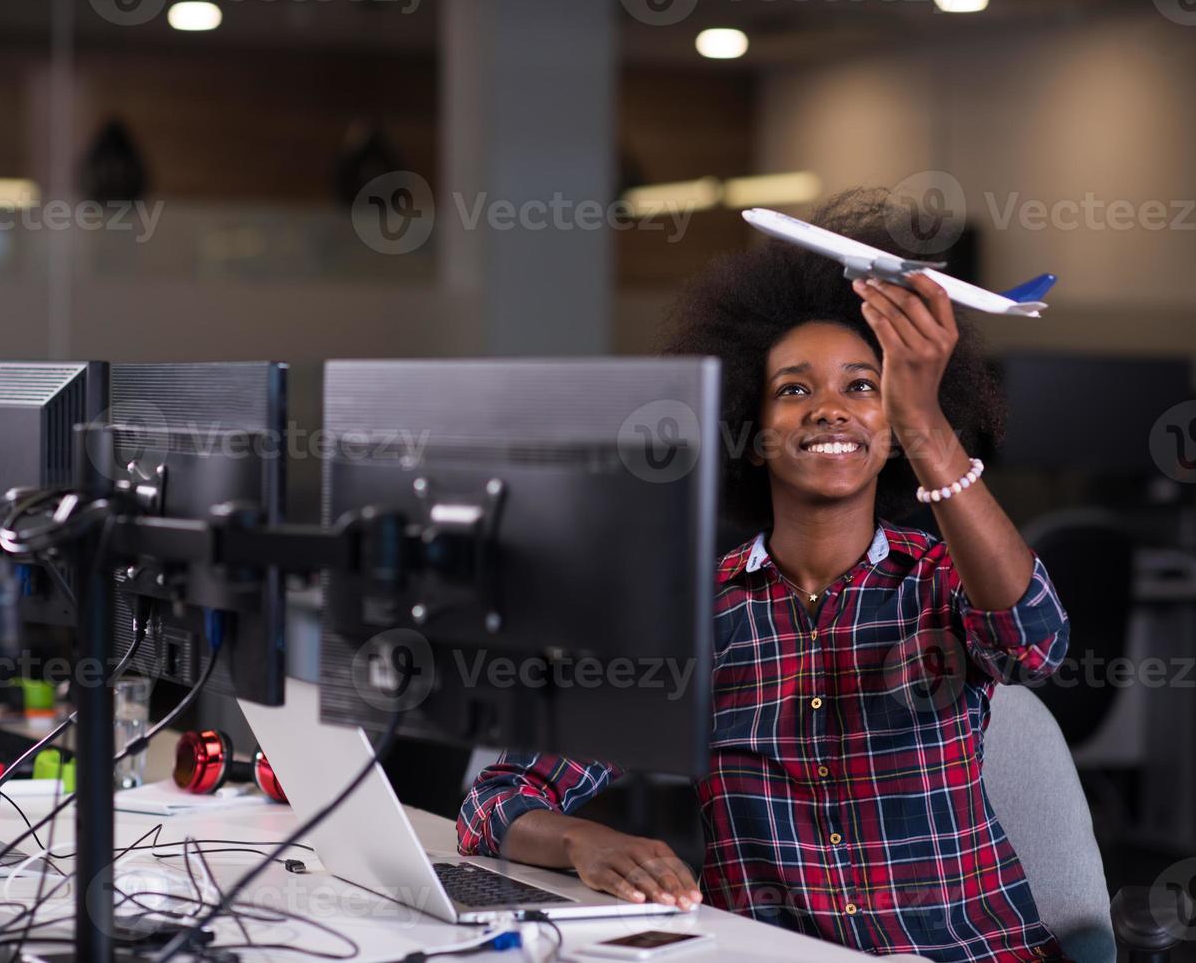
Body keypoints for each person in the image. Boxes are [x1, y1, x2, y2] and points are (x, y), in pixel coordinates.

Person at [456, 189, 1071, 961]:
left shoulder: (939, 582)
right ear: (749, 435)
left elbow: (1033, 646)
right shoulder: (687, 614)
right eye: (792, 389)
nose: (829, 408)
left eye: (860, 385)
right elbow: (495, 801)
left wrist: (927, 430)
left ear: (891, 434)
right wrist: (586, 840)